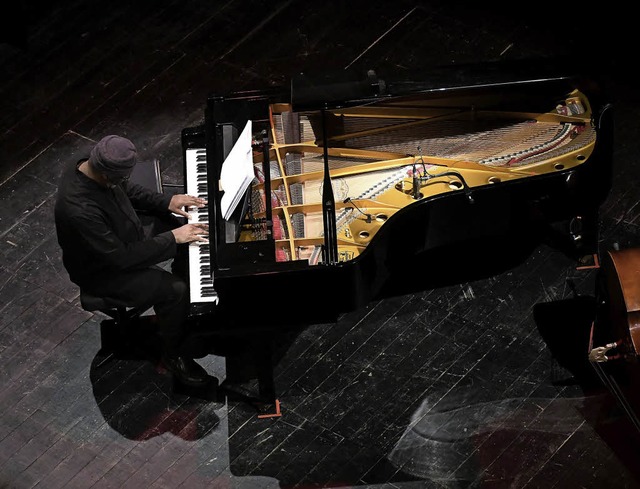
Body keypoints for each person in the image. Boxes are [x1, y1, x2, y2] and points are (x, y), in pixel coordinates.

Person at [54, 134, 211, 387]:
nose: (126, 179)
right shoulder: (79, 210)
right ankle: (173, 354)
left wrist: (166, 201)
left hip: (120, 236)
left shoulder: (90, 161)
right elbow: (121, 258)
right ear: (107, 175)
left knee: (186, 233)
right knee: (176, 290)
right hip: (103, 271)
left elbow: (124, 187)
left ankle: (184, 310)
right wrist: (172, 238)